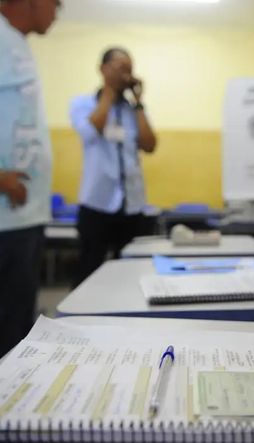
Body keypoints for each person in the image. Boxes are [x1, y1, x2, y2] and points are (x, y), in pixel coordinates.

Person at [0, 0, 60, 357]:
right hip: (6, 219)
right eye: (57, 2)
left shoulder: (14, 41)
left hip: (21, 218)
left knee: (16, 329)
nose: (57, 10)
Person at [70, 47, 157, 287]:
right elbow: (90, 130)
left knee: (130, 275)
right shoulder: (82, 104)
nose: (126, 75)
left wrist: (139, 103)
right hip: (97, 203)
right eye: (120, 68)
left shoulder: (132, 111)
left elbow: (150, 145)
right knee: (88, 271)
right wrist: (108, 94)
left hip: (132, 205)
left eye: (129, 69)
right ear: (102, 69)